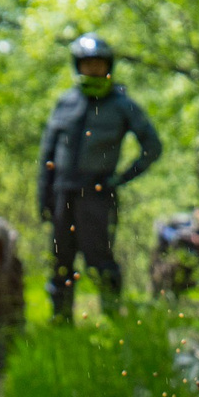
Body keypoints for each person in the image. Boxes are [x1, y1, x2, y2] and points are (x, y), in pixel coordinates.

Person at [36, 34, 161, 322]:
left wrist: (122, 178)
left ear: (108, 66)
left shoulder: (121, 104)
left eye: (98, 64)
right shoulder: (65, 103)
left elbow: (153, 147)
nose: (92, 70)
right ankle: (61, 323)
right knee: (61, 262)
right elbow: (47, 155)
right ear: (78, 66)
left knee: (100, 261)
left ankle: (113, 321)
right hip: (61, 194)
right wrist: (43, 196)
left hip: (96, 195)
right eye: (87, 64)